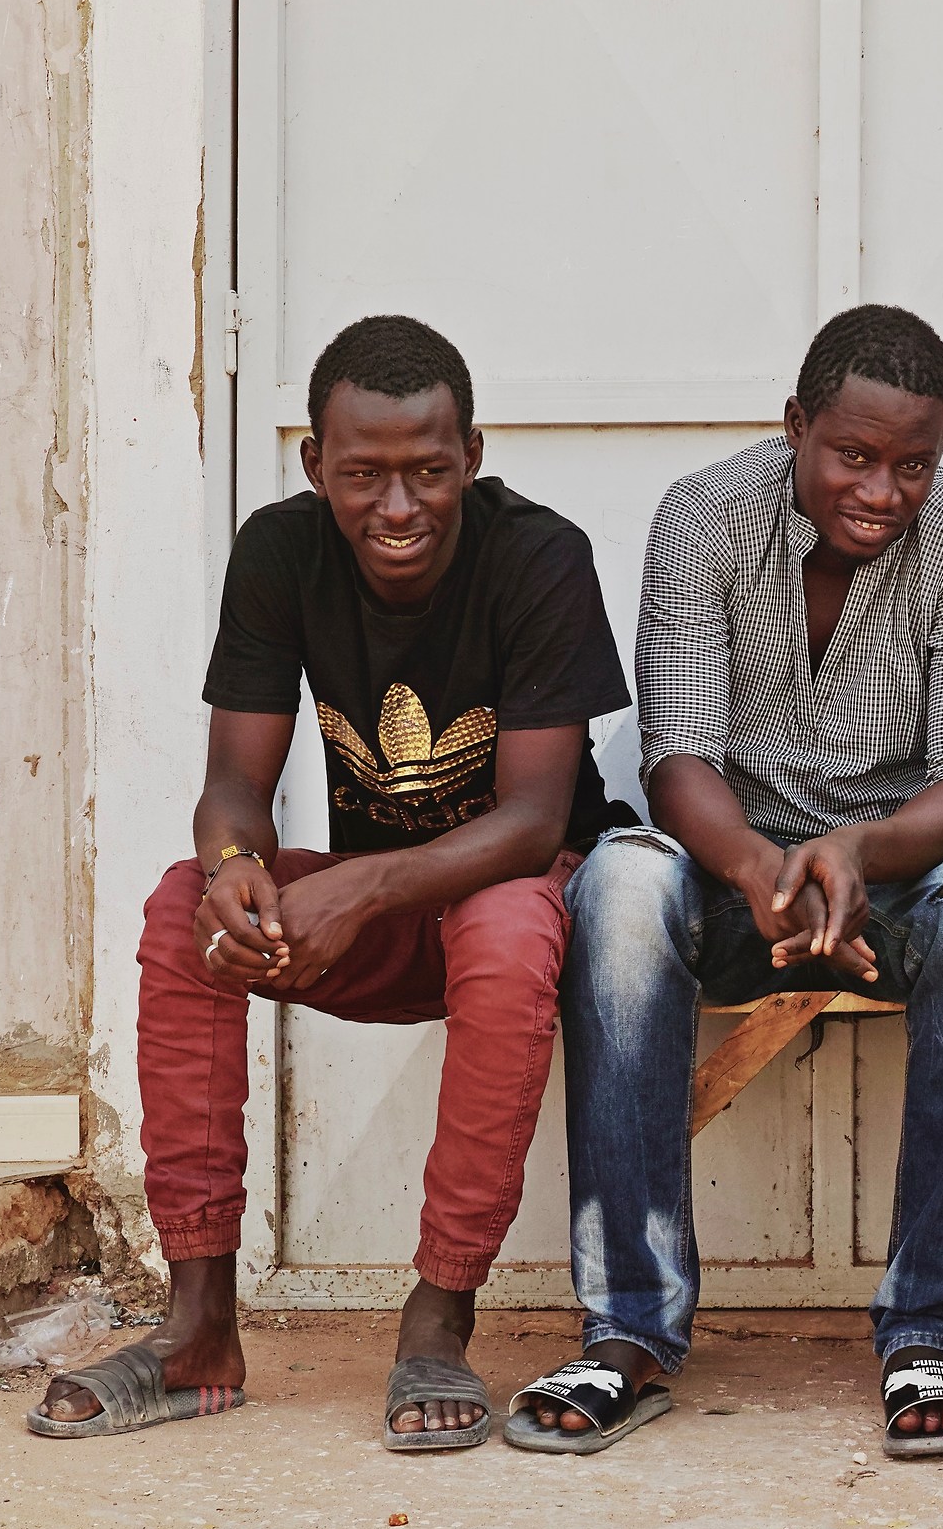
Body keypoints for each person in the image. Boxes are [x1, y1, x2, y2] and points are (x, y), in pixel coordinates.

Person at [31, 316, 634, 1449]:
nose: (397, 506)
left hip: (531, 909)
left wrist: (354, 892)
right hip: (386, 912)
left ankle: (438, 1318)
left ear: (472, 457)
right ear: (316, 464)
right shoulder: (280, 552)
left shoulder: (538, 556)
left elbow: (533, 823)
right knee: (181, 912)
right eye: (363, 475)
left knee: (505, 925)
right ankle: (199, 1329)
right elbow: (233, 785)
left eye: (429, 472)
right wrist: (235, 870)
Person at [522, 305, 943, 1456]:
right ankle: (628, 1329)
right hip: (729, 862)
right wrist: (764, 868)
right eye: (853, 455)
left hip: (900, 870)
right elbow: (678, 759)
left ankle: (932, 1338)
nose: (882, 490)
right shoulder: (704, 514)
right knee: (619, 888)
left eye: (913, 465)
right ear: (796, 422)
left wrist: (857, 854)